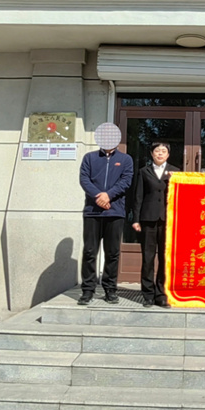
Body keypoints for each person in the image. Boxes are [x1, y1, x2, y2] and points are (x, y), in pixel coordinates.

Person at [78, 122, 133, 305]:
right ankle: (88, 290)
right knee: (89, 251)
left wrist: (108, 195)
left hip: (115, 212)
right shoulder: (89, 158)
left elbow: (126, 182)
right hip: (92, 212)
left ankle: (110, 289)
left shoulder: (126, 159)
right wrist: (98, 196)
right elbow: (84, 180)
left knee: (112, 253)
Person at [132, 142, 180, 308]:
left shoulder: (175, 172)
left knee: (165, 258)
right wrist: (136, 219)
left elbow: (182, 194)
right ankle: (147, 294)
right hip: (148, 219)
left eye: (163, 151)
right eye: (157, 151)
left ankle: (161, 294)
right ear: (152, 154)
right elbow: (138, 196)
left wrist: (175, 180)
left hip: (168, 221)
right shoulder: (144, 171)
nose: (160, 153)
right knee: (148, 257)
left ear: (168, 155)